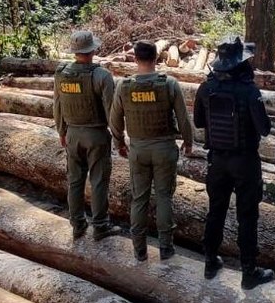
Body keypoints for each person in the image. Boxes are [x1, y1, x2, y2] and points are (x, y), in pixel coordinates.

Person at [193, 35, 274, 289]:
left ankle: (209, 261)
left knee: (215, 210)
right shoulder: (249, 91)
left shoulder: (206, 88)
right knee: (247, 216)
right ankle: (248, 271)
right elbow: (264, 129)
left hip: (217, 161)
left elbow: (198, 122)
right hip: (245, 162)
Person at [109, 40, 194, 261]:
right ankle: (166, 247)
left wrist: (119, 142)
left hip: (138, 149)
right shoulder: (169, 84)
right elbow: (183, 118)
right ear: (157, 58)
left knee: (139, 198)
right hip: (164, 148)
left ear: (135, 59)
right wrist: (188, 141)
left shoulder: (124, 86)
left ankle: (139, 249)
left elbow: (115, 120)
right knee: (164, 196)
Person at [54, 30, 119, 240]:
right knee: (98, 181)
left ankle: (77, 224)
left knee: (74, 180)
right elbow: (112, 112)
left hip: (72, 133)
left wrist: (61, 131)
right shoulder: (102, 75)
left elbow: (58, 104)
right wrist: (119, 139)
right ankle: (100, 225)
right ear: (92, 50)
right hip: (96, 135)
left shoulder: (61, 72)